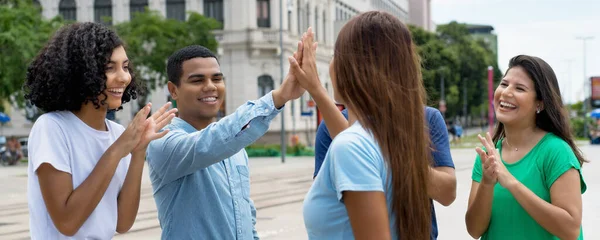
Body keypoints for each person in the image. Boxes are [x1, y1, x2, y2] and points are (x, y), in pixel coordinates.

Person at [291, 12, 438, 239]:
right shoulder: (390, 139)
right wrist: (316, 89)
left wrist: (315, 89)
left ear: (353, 67)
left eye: (334, 55)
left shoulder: (351, 146)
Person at [24, 22, 176, 239]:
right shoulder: (51, 127)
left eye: (125, 66)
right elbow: (67, 222)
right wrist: (118, 149)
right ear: (81, 73)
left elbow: (122, 223)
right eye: (109, 68)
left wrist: (138, 151)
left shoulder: (117, 132)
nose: (123, 77)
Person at [145, 44, 306, 239]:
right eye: (197, 80)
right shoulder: (163, 141)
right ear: (173, 90)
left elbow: (246, 217)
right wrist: (278, 97)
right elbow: (208, 144)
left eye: (217, 78)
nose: (210, 86)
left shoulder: (235, 145)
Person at [465, 55, 587, 240]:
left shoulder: (556, 151)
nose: (506, 93)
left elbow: (570, 229)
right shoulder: (489, 155)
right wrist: (487, 183)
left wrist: (511, 183)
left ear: (540, 103)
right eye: (504, 84)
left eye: (519, 88)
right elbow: (474, 230)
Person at [313, 105, 456, 240]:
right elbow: (325, 206)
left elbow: (447, 194)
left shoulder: (427, 117)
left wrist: (400, 155)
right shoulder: (328, 126)